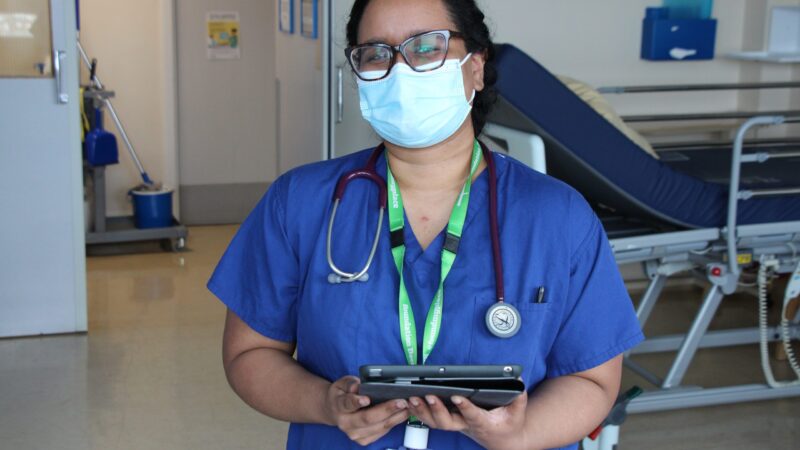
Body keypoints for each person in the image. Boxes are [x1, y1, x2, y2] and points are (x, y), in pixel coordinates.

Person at [208, 0, 643, 448]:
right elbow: (250, 353)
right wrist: (324, 403)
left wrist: (519, 434)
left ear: (476, 66)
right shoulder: (300, 203)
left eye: (426, 47)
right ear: (359, 79)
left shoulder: (558, 217)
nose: (400, 70)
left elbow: (593, 379)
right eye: (376, 53)